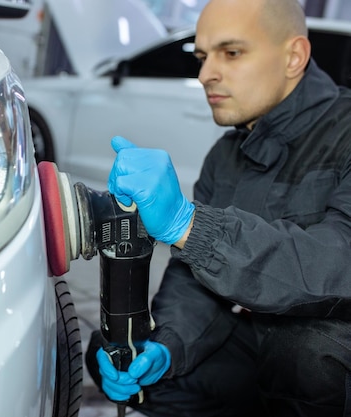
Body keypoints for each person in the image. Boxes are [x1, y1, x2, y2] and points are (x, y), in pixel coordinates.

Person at [85, 0, 351, 416]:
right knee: (119, 350)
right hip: (262, 341)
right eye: (202, 56)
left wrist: (191, 226)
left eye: (232, 52)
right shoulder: (226, 156)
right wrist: (166, 346)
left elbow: (340, 259)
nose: (206, 73)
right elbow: (194, 282)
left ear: (294, 56)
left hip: (327, 351)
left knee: (305, 353)